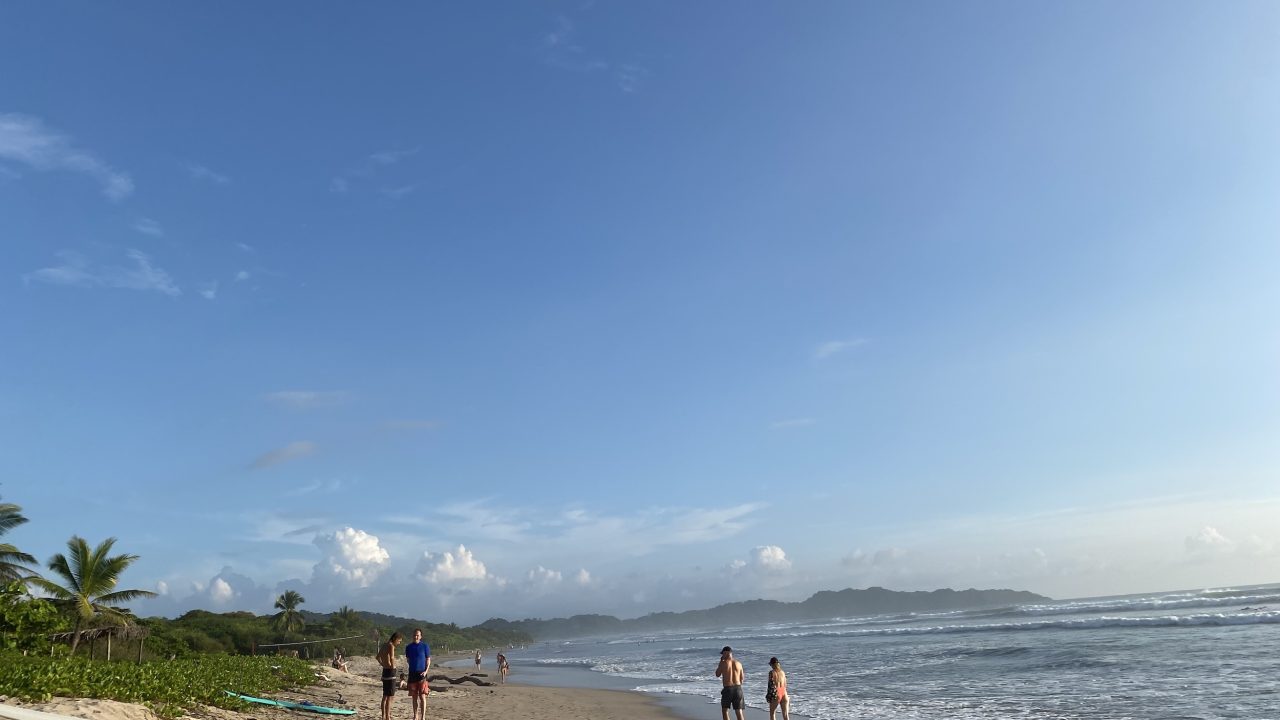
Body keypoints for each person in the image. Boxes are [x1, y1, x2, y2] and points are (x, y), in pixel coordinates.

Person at [404, 629, 432, 720]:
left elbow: (428, 660)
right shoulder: (408, 647)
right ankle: (415, 716)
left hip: (422, 674)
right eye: (414, 635)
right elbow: (408, 659)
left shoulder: (425, 646)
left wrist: (426, 671)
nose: (416, 637)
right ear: (412, 636)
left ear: (420, 636)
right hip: (412, 674)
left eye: (418, 635)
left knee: (422, 696)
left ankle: (423, 717)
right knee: (414, 696)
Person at [377, 632, 403, 720]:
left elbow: (378, 657)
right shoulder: (391, 646)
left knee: (385, 695)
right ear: (395, 639)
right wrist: (392, 667)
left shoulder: (384, 645)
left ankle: (383, 716)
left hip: (385, 671)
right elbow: (391, 658)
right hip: (390, 672)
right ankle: (388, 717)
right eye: (399, 641)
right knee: (390, 696)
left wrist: (383, 664)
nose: (399, 643)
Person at [715, 646, 745, 720]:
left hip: (728, 688)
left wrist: (720, 662)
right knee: (739, 711)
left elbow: (717, 674)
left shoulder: (723, 663)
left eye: (723, 654)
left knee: (725, 711)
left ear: (727, 653)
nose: (722, 656)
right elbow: (742, 679)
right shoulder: (739, 663)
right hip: (738, 689)